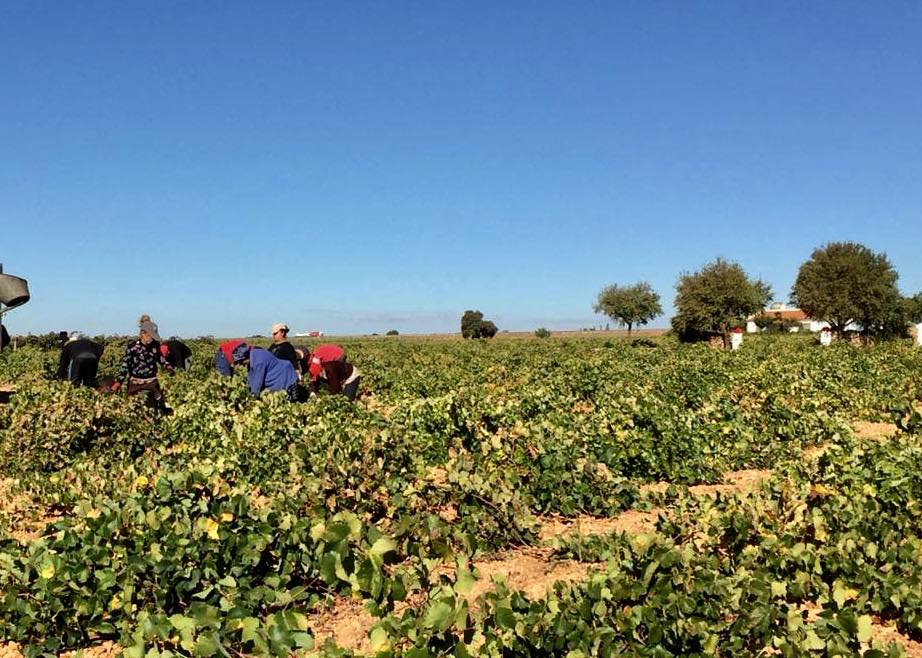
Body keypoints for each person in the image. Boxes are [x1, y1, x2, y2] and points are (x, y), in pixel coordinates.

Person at [113, 319, 173, 414]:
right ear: (143, 334)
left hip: (151, 383)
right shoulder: (132, 348)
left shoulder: (155, 347)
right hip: (135, 384)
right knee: (129, 409)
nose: (152, 339)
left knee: (160, 406)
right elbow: (125, 365)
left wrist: (167, 366)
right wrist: (118, 382)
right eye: (150, 336)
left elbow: (161, 359)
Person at [231, 343, 301, 402]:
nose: (240, 364)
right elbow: (251, 377)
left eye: (241, 362)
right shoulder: (253, 355)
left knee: (288, 402)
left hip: (286, 376)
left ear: (245, 357)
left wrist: (252, 399)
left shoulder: (259, 361)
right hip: (279, 375)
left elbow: (257, 382)